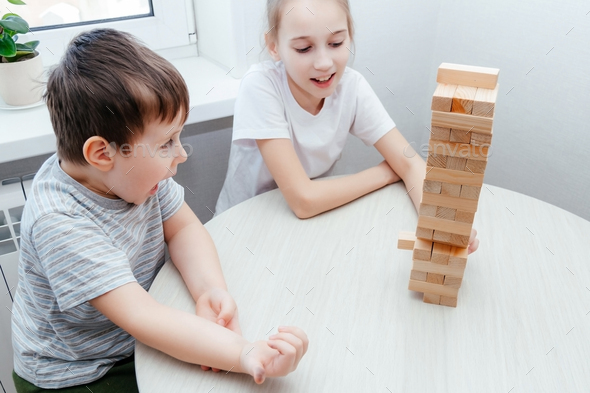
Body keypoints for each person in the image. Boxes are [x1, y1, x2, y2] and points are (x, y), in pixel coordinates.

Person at [11, 28, 308, 393]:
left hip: (131, 339)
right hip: (80, 372)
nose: (181, 154)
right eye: (167, 143)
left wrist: (208, 290)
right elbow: (144, 317)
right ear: (102, 154)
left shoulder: (132, 174)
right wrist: (246, 354)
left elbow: (183, 229)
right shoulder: (60, 223)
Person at [215, 0, 479, 252]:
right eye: (304, 49)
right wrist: (386, 172)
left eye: (336, 43)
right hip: (243, 230)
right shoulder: (260, 85)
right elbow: (303, 200)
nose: (324, 63)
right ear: (274, 47)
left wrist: (442, 222)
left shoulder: (351, 87)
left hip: (307, 227)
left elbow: (410, 163)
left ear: (349, 36)